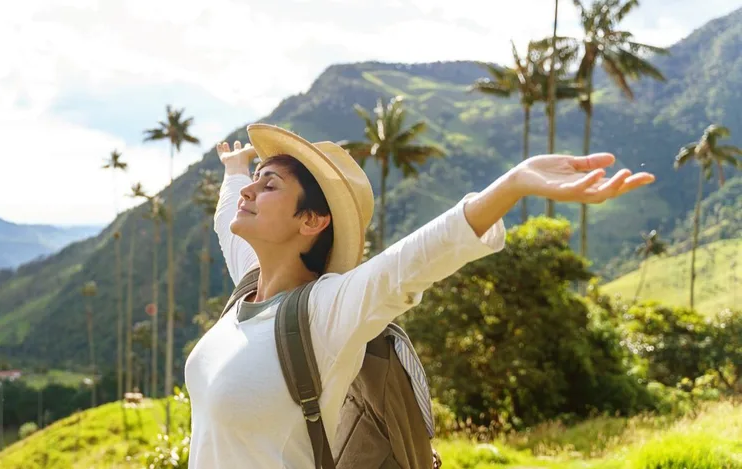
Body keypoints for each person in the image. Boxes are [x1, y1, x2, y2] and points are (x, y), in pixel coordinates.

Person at [183, 123, 653, 468]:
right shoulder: (248, 288)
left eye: (270, 185)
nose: (251, 191)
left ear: (311, 221)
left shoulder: (325, 312)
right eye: (255, 181)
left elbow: (414, 261)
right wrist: (235, 170)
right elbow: (228, 219)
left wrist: (513, 184)